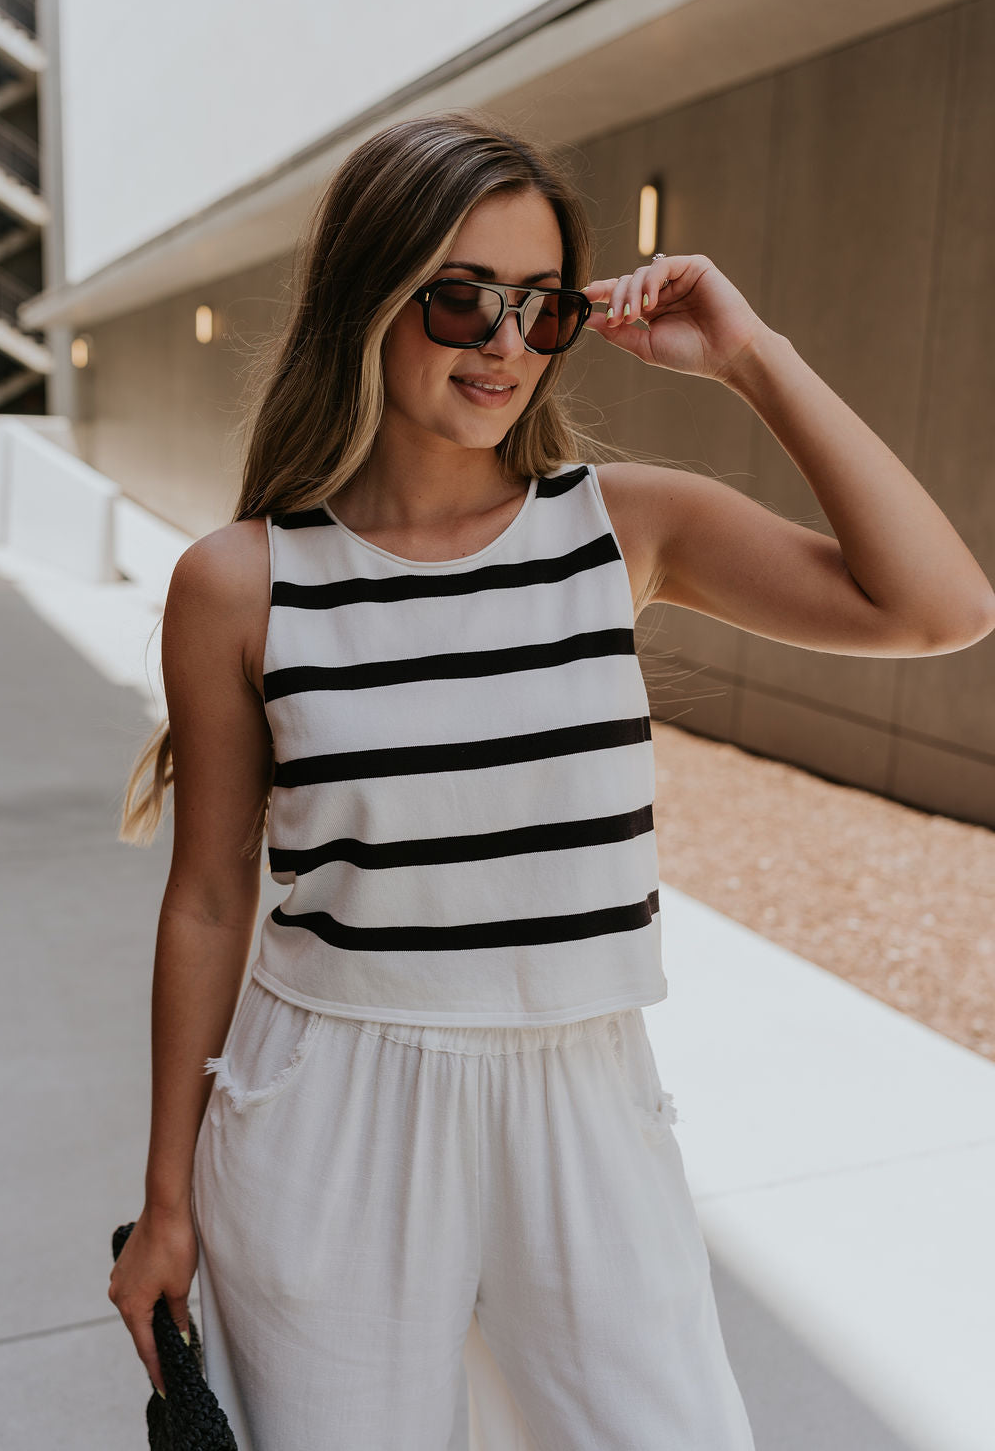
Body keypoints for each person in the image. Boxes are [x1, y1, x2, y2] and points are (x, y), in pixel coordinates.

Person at [108, 107, 995, 1451]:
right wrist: (166, 1200)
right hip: (327, 1108)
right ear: (372, 294)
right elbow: (211, 899)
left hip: (584, 1093)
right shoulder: (239, 581)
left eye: (540, 305)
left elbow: (938, 607)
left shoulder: (622, 526)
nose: (507, 344)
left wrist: (753, 357)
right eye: (461, 301)